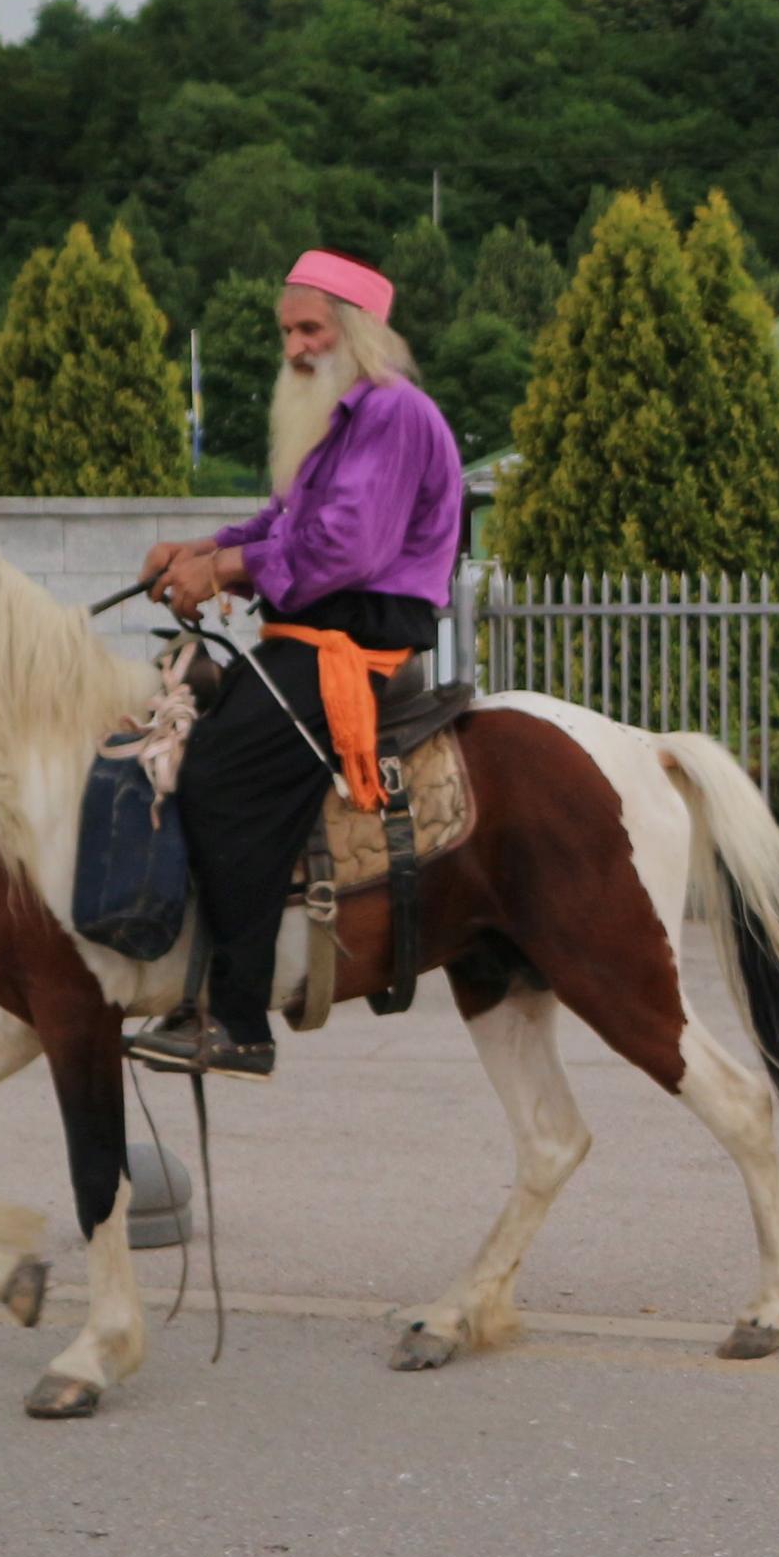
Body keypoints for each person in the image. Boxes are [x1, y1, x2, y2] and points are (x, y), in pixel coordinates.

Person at [126, 249, 465, 1080]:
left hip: (356, 642)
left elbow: (341, 547)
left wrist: (226, 572)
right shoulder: (340, 420)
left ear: (354, 333)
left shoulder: (393, 412)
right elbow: (280, 523)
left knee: (215, 774)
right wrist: (200, 550)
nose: (296, 346)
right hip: (311, 637)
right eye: (288, 331)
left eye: (310, 328)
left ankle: (237, 1018)